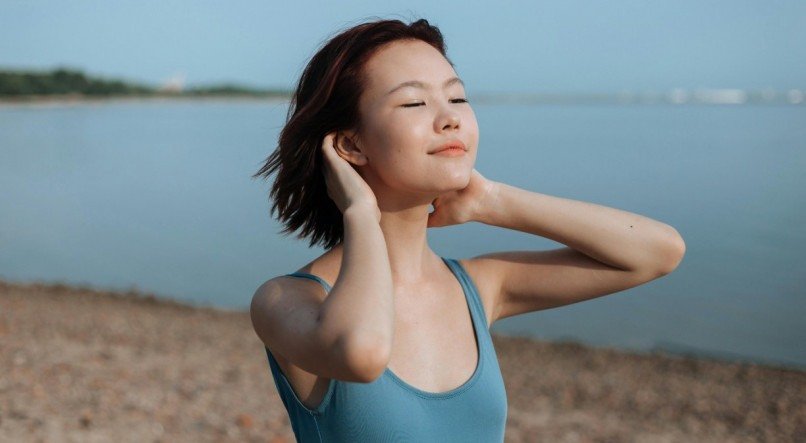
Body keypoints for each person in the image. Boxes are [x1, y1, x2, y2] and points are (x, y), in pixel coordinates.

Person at [249, 17, 685, 442]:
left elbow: (659, 252)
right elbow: (361, 353)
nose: (450, 119)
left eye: (457, 98)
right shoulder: (286, 299)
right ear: (350, 144)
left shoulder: (478, 287)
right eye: (414, 103)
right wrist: (360, 213)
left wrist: (493, 200)